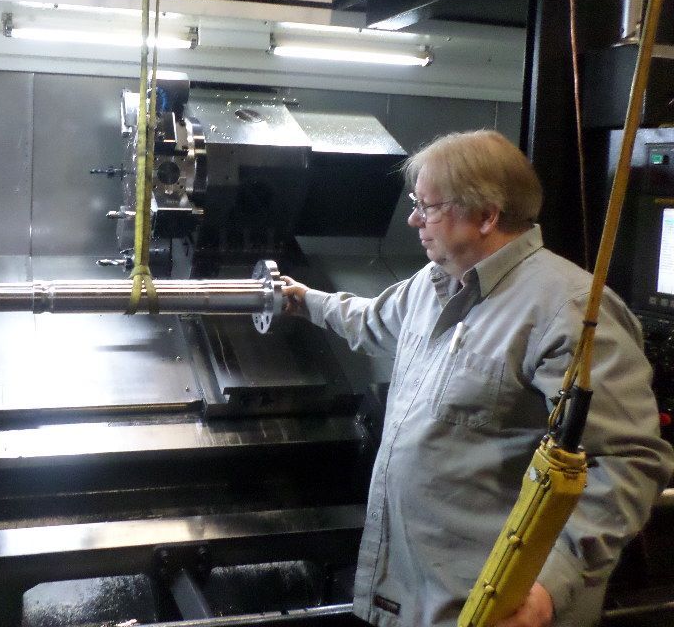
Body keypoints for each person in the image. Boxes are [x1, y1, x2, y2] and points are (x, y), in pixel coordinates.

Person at [281, 130, 673, 627]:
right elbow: (371, 319)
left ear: (487, 216)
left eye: (428, 207)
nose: (413, 219)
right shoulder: (433, 283)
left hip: (497, 609)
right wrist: (300, 299)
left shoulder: (567, 310)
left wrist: (547, 591)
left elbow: (626, 463)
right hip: (413, 597)